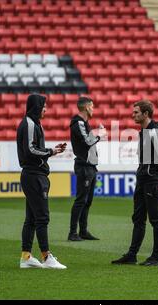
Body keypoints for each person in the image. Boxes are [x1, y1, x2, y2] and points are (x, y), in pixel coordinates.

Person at [112, 100, 158, 266]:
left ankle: (156, 257)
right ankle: (132, 254)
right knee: (138, 219)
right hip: (143, 179)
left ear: (146, 114)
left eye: (136, 112)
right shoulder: (144, 132)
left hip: (152, 181)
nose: (133, 115)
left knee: (156, 220)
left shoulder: (154, 132)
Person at [17, 93, 67, 269]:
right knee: (42, 217)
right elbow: (30, 150)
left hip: (34, 175)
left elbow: (34, 149)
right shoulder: (30, 124)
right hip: (34, 176)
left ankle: (26, 257)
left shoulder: (33, 123)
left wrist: (51, 150)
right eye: (44, 106)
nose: (45, 109)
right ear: (37, 107)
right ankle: (46, 257)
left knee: (31, 218)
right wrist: (50, 152)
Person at [68, 96, 102, 241]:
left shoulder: (84, 123)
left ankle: (83, 231)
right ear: (87, 107)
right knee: (81, 200)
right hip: (84, 167)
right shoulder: (78, 123)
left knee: (87, 201)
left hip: (91, 167)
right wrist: (99, 135)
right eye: (92, 106)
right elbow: (88, 142)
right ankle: (72, 233)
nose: (93, 109)